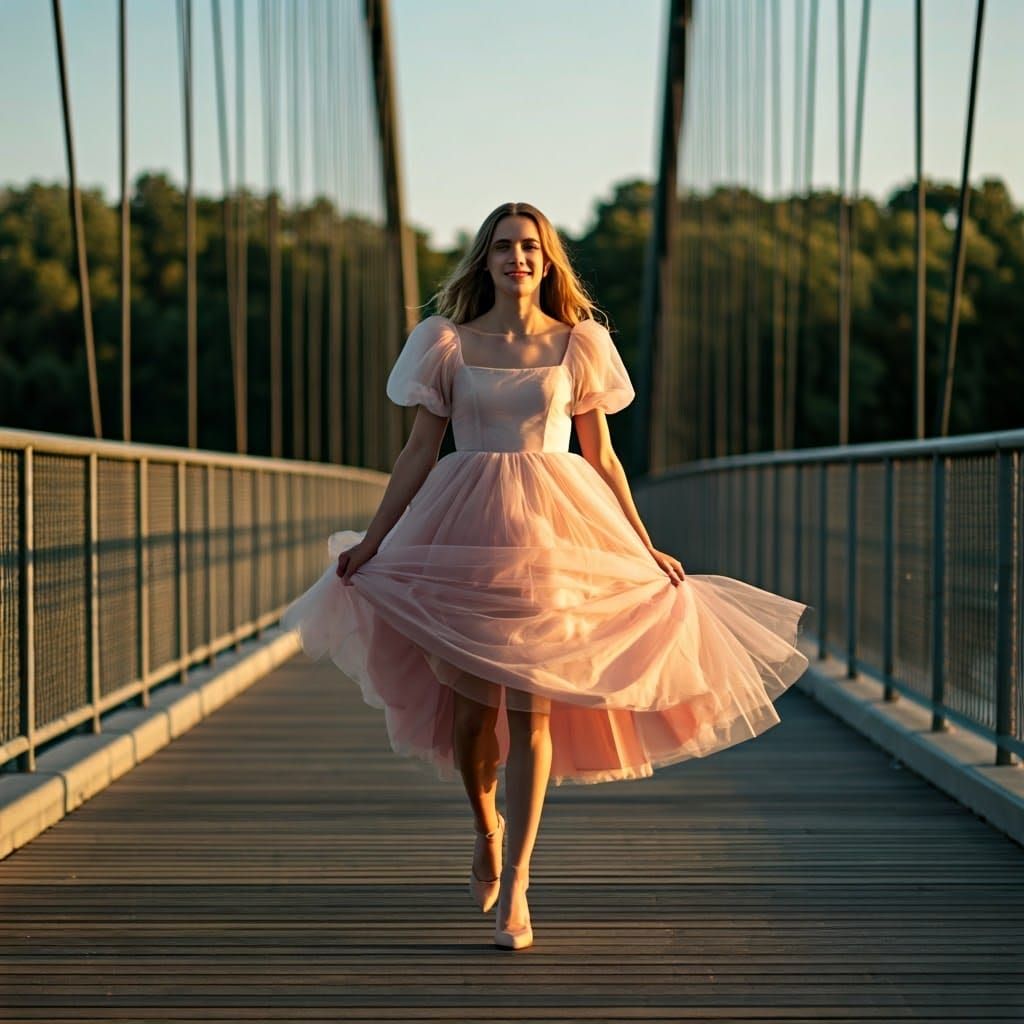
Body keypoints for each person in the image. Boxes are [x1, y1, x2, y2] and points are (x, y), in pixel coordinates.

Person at [281, 201, 810, 951]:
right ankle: (486, 827)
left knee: (533, 714)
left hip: (555, 538)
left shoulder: (580, 345)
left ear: (547, 259)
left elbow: (603, 457)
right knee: (472, 718)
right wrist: (374, 540)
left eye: (529, 246)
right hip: (462, 532)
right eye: (503, 246)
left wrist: (644, 544)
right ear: (485, 259)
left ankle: (520, 886)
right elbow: (416, 453)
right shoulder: (445, 342)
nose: (516, 258)